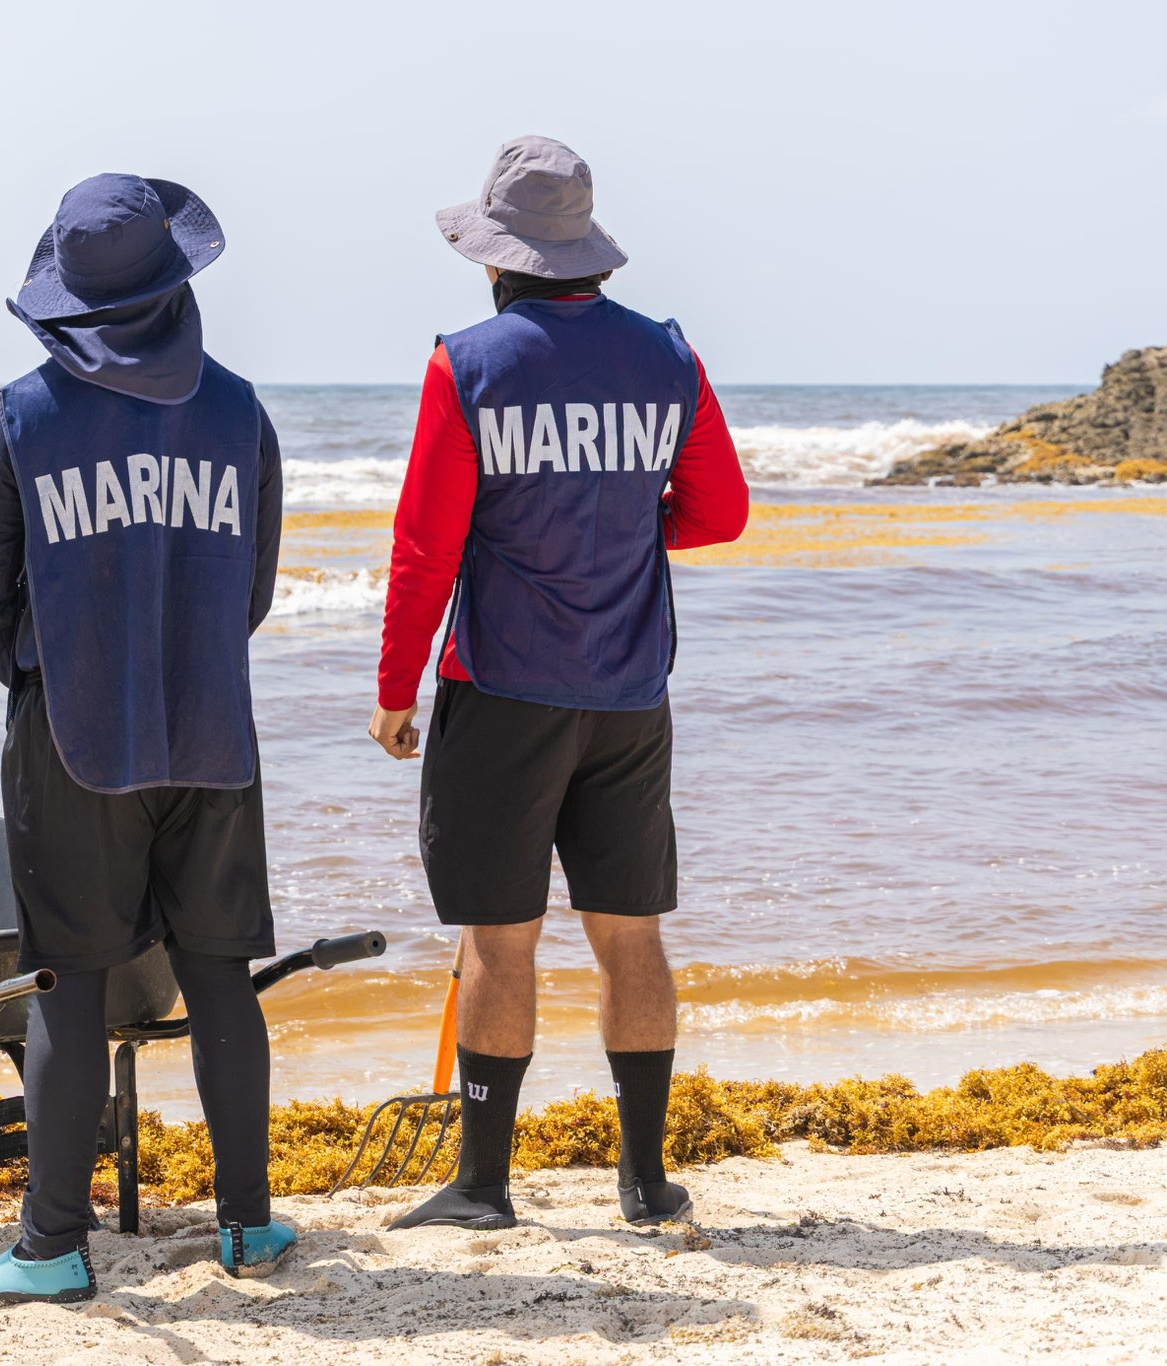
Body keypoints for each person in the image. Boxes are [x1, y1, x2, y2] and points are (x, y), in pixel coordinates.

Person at [369, 136, 749, 1230]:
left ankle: (484, 1184)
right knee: (629, 931)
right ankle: (644, 1179)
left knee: (500, 937)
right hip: (629, 693)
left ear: (498, 258)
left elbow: (423, 549)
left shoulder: (469, 363)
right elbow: (718, 511)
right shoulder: (666, 356)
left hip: (501, 689)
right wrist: (631, 533)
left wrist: (394, 689)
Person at [0, 172, 292, 1307]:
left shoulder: (18, 417)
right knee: (219, 976)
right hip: (212, 739)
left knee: (67, 985)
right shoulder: (239, 413)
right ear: (175, 286)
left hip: (72, 738)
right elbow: (253, 588)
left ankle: (51, 1247)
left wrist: (60, 681)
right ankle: (247, 1228)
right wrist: (179, 666)